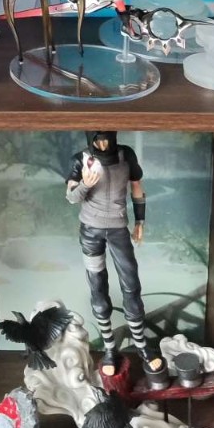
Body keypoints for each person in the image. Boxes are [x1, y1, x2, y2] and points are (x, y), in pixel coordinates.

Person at [65, 131, 160, 376]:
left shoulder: (126, 155)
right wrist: (86, 184)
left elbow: (136, 186)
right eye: (98, 140)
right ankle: (109, 348)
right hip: (91, 232)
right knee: (97, 285)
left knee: (131, 283)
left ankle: (141, 345)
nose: (103, 144)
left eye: (107, 138)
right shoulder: (80, 159)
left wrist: (140, 221)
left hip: (118, 229)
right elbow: (71, 197)